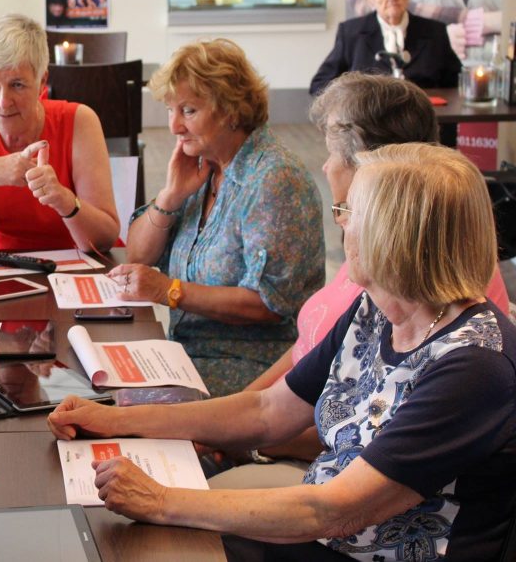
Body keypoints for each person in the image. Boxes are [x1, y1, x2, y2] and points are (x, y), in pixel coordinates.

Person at [49, 143, 516, 561]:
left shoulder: (474, 367)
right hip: (329, 533)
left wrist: (160, 500)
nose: (340, 223)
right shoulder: (379, 308)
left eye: (348, 212)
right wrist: (115, 419)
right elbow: (268, 410)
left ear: (392, 238)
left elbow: (333, 512)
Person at [209, 72, 511, 489]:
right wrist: (234, 422)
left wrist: (254, 441)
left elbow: (369, 438)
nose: (325, 164)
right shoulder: (374, 275)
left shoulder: (404, 270)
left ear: (368, 161)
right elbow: (295, 371)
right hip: (308, 443)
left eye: (333, 152)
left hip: (331, 465)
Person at [110, 39, 323, 397]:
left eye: (189, 111)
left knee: (117, 409)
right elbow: (138, 255)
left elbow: (268, 305)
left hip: (252, 371)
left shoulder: (273, 179)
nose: (175, 126)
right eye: (170, 110)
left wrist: (169, 290)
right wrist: (170, 196)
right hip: (188, 353)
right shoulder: (204, 167)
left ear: (231, 110)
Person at [0, 13, 120, 253]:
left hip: (76, 263)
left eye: (17, 84)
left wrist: (64, 200)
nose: (3, 102)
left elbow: (104, 239)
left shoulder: (80, 120)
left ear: (42, 81)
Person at [310, 0, 460, 96]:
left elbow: (456, 83)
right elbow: (320, 84)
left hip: (423, 119)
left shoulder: (435, 32)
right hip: (369, 121)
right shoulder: (351, 33)